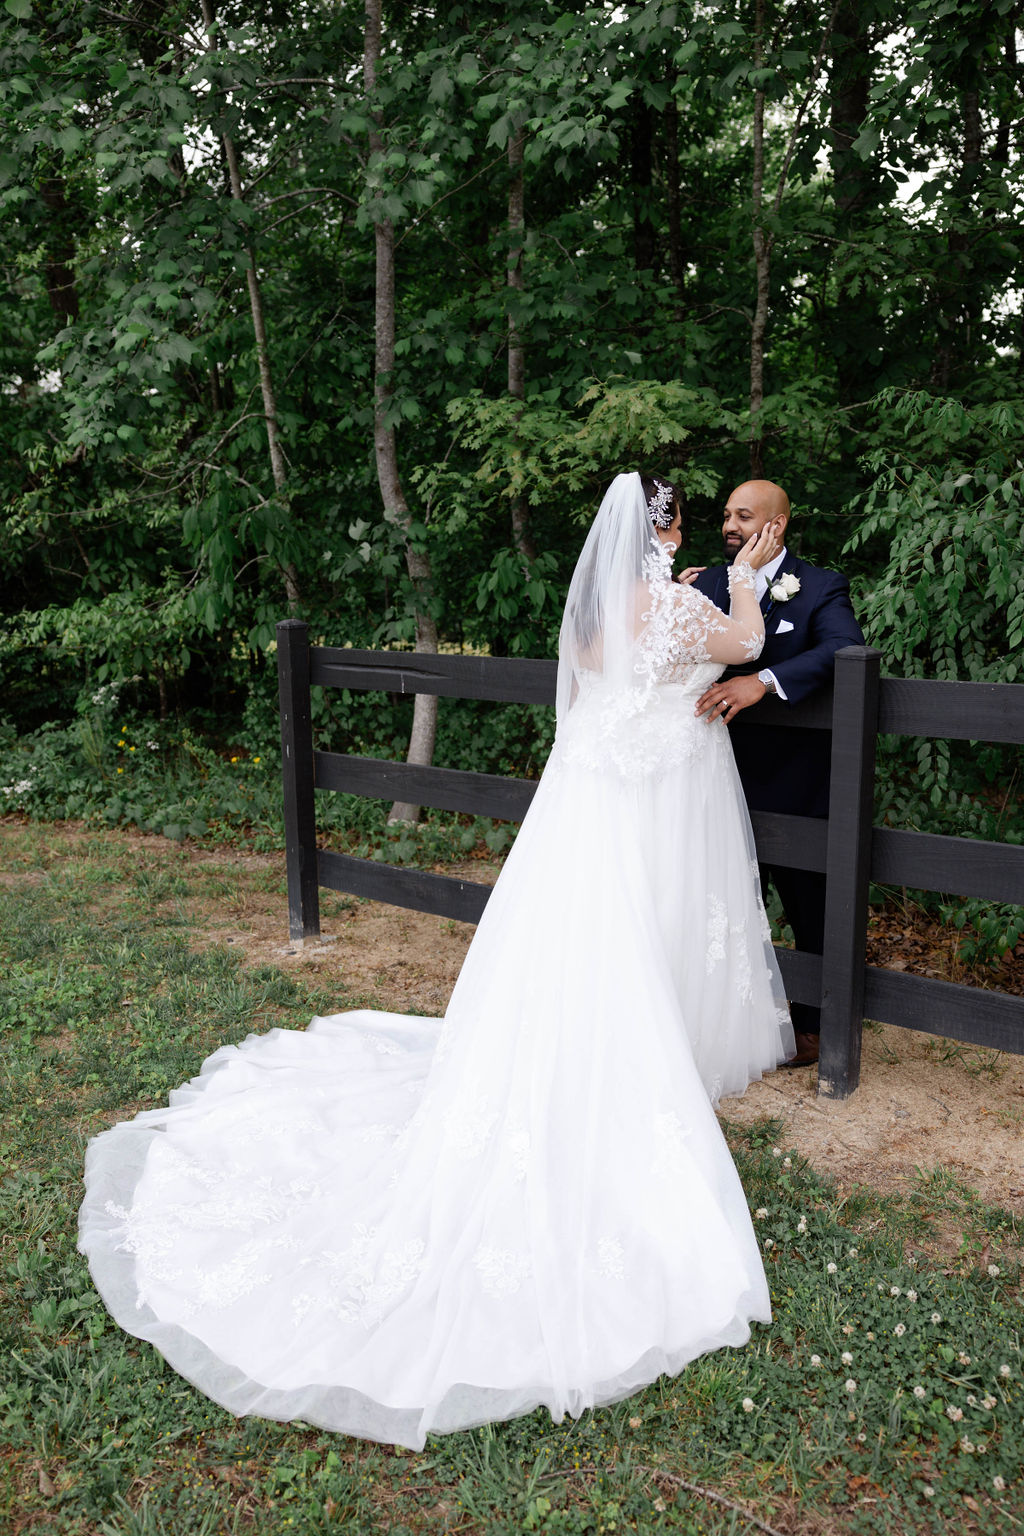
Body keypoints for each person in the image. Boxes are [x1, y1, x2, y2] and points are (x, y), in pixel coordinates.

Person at [78, 473, 794, 1452]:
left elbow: (592, 692)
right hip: (662, 786)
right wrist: (748, 580)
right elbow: (744, 648)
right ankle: (639, 1059)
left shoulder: (596, 614)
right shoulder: (678, 603)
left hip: (596, 791)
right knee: (650, 918)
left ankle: (593, 1039)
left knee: (586, 928)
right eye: (685, 522)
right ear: (664, 536)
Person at [692, 480, 866, 1068]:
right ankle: (730, 1022)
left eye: (744, 516)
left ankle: (815, 1028)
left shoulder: (819, 586)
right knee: (723, 901)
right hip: (712, 775)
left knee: (807, 902)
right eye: (726, 516)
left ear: (778, 524)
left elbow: (846, 651)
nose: (730, 526)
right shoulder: (704, 584)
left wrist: (761, 682)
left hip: (795, 779)